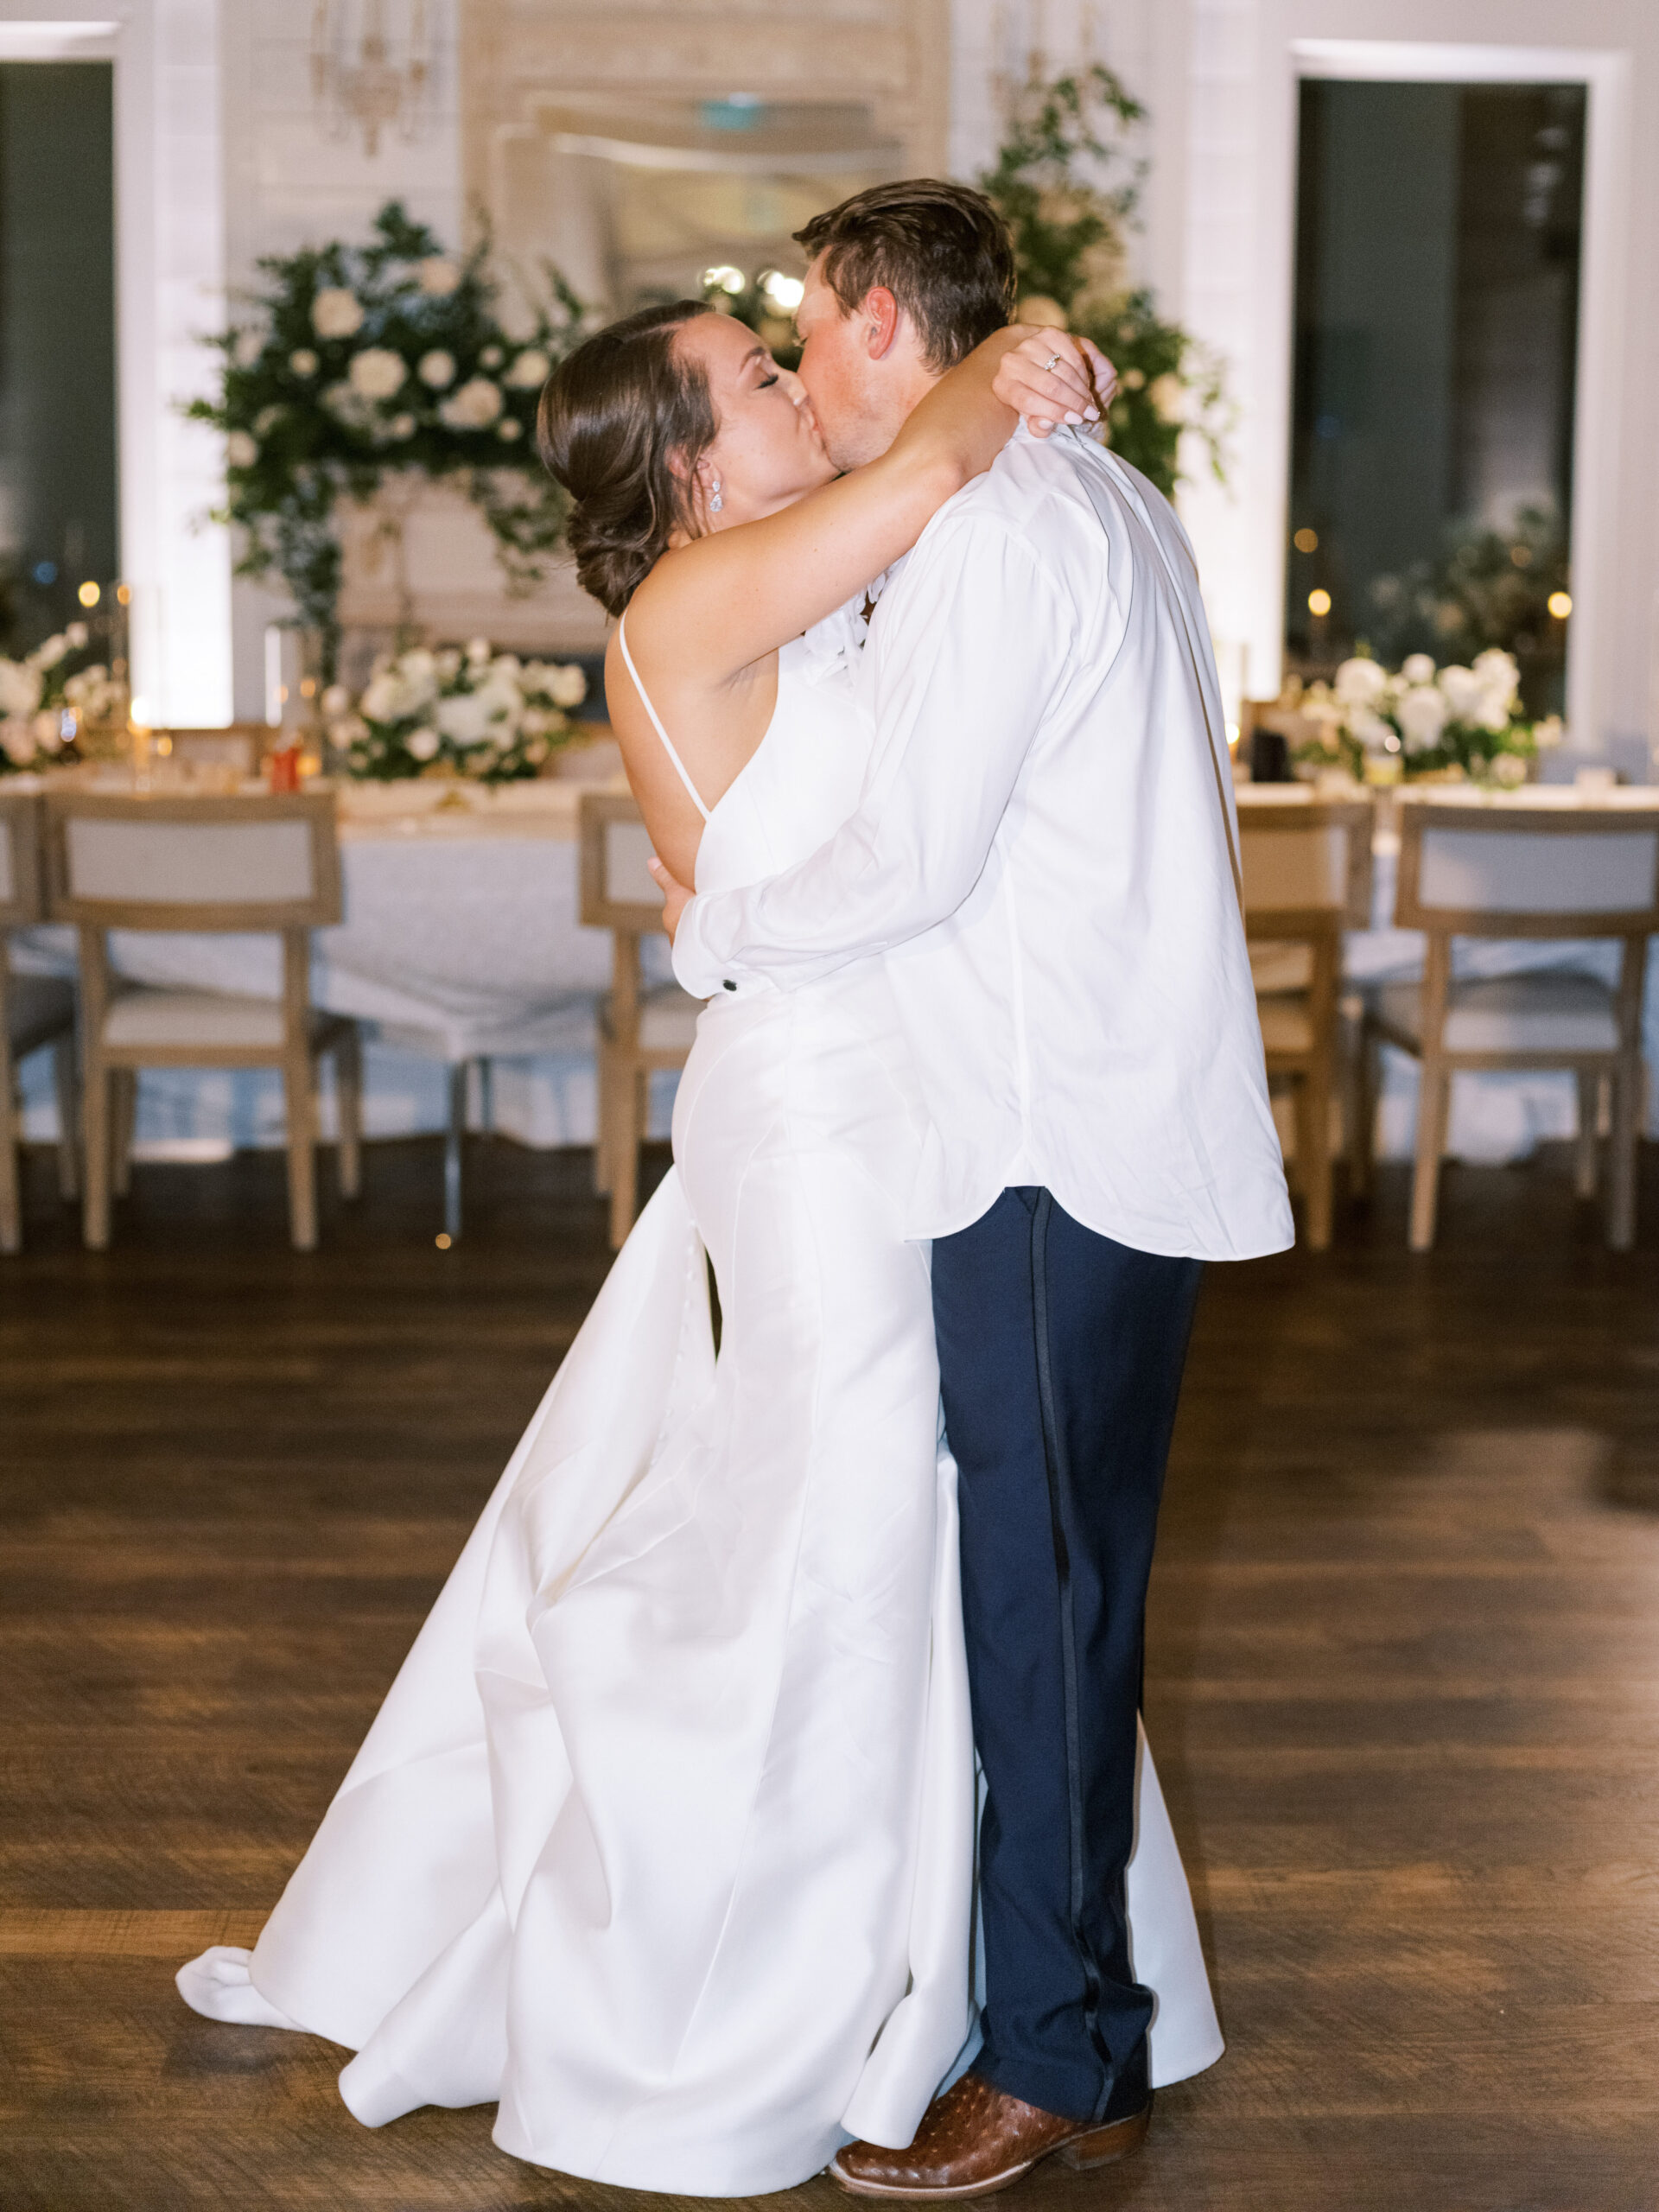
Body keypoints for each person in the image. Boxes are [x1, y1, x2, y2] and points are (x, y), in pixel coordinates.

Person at [175, 207, 1223, 2196]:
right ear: (685, 466)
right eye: (755, 376)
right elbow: (928, 438)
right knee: (847, 1529)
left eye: (794, 344)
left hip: (914, 1099)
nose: (788, 378)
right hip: (826, 1115)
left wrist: (1028, 341)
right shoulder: (706, 598)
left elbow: (941, 453)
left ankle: (978, 1974)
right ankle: (786, 1986)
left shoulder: (820, 575)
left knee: (926, 1526)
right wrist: (1009, 355)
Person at [656, 179, 1294, 2198]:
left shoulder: (1005, 529)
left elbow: (916, 863)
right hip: (1095, 1113)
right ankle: (1069, 2005)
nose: (805, 375)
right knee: (1062, 1589)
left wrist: (723, 934)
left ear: (863, 321)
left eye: (801, 332)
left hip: (1043, 1130)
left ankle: (1058, 2053)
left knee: (1039, 1603)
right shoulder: (1085, 492)